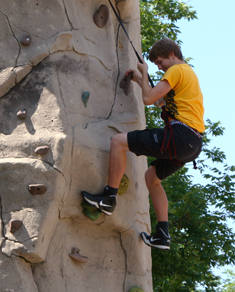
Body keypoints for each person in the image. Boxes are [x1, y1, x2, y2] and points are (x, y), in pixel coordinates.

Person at [81, 38, 204, 250]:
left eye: (160, 61)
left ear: (172, 55)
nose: (159, 66)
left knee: (119, 141)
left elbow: (147, 100)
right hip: (192, 145)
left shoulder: (176, 70)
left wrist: (144, 72)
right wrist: (140, 79)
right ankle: (162, 235)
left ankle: (109, 197)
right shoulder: (187, 75)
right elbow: (159, 101)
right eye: (156, 63)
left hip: (180, 136)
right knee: (152, 178)